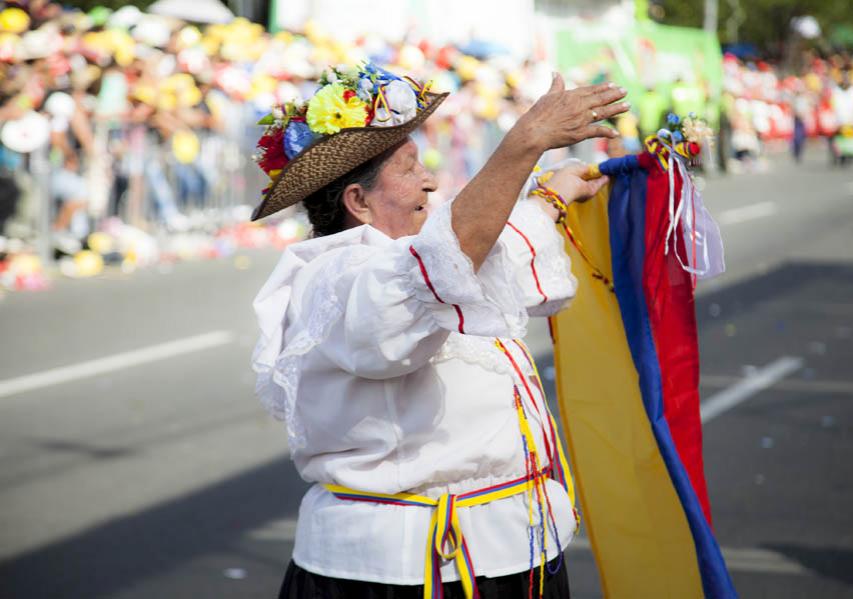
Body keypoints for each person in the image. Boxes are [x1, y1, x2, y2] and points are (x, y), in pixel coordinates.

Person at [250, 64, 628, 598]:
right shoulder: (334, 278)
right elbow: (446, 261)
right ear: (358, 202)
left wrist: (553, 195)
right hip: (409, 571)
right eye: (409, 169)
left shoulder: (426, 263)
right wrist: (524, 143)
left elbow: (491, 253)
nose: (430, 180)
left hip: (500, 553)